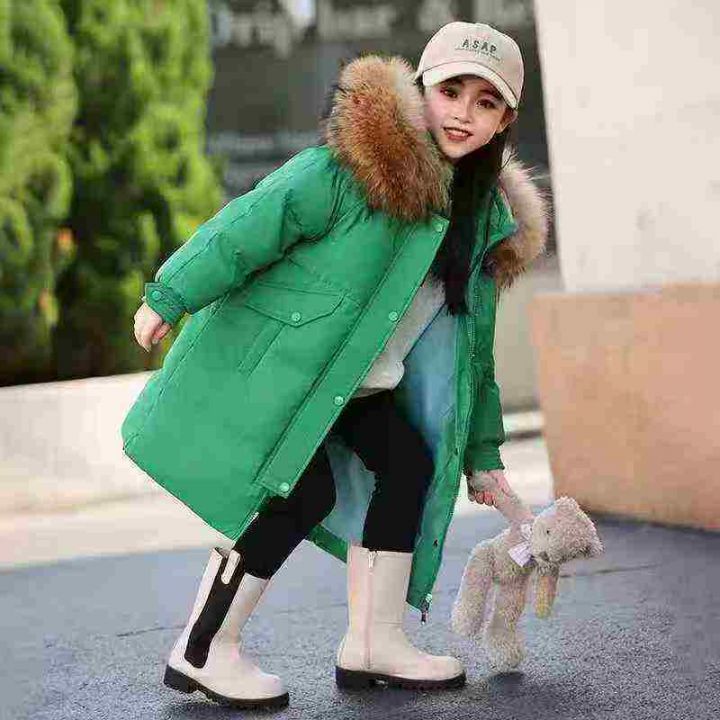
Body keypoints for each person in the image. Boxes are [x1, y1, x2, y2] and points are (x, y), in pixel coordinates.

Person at [124, 20, 549, 710]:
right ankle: (204, 649)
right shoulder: (350, 170)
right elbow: (252, 223)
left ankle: (375, 642)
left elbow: (472, 356)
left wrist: (482, 452)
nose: (462, 113)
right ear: (420, 88)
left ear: (505, 121)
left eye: (485, 102)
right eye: (450, 92)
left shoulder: (481, 223)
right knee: (302, 493)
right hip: (301, 374)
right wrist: (170, 293)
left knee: (407, 466)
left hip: (365, 389)